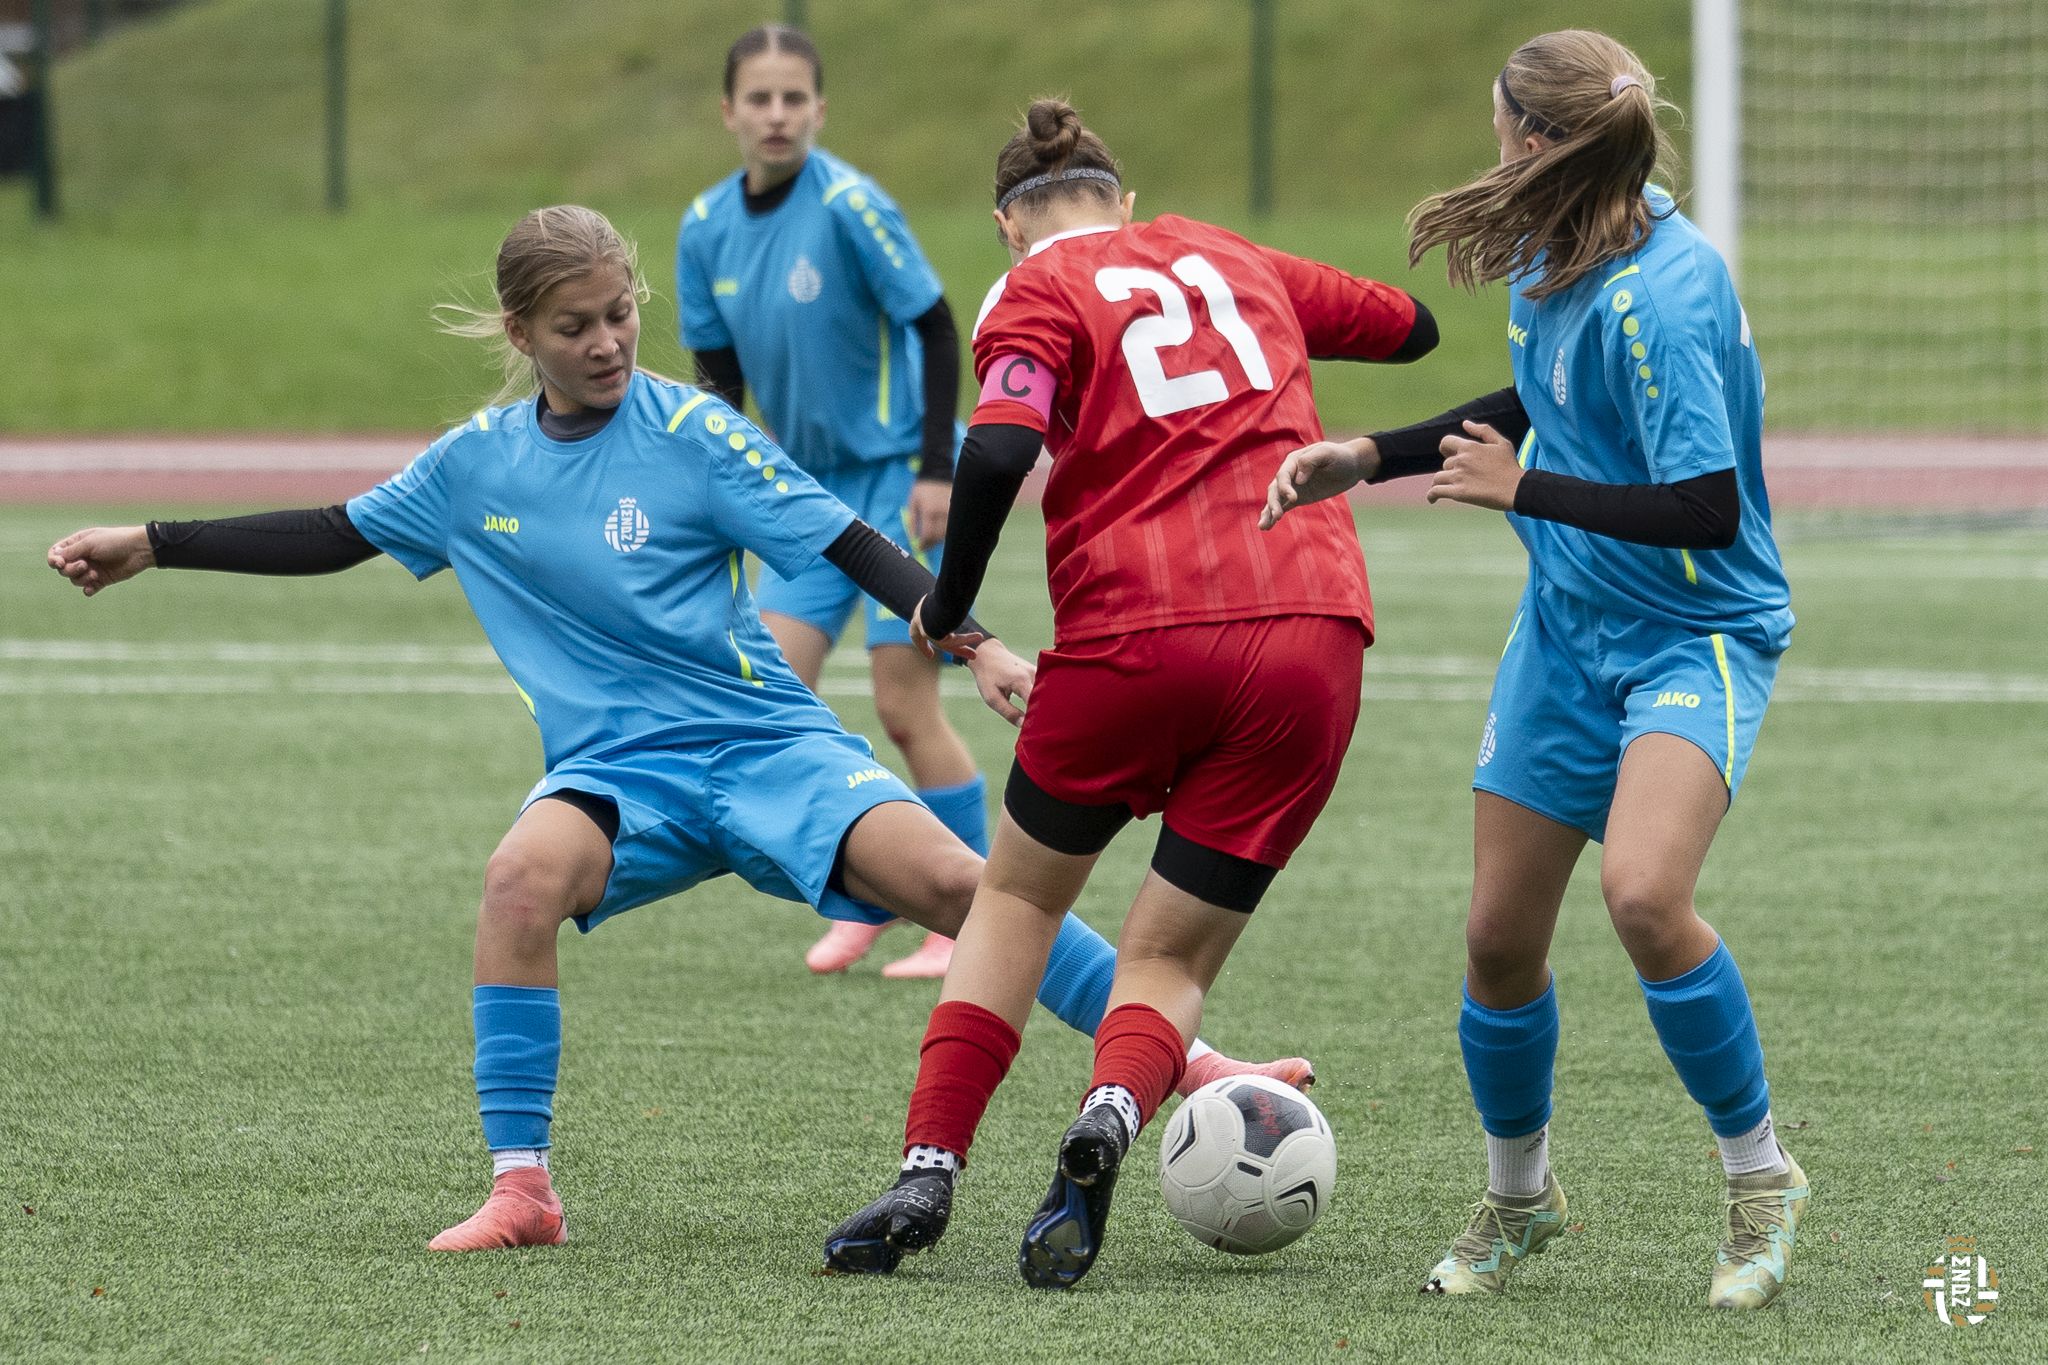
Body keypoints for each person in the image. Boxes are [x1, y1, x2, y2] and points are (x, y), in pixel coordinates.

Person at [46, 205, 1312, 1255]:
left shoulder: (692, 432)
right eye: (574, 326)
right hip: (617, 777)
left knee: (965, 889)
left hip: (766, 748)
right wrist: (155, 542)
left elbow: (844, 539)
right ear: (520, 334)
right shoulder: (472, 466)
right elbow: (334, 534)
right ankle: (522, 1189)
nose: (606, 342)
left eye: (619, 314)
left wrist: (970, 639)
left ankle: (1192, 1062)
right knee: (517, 879)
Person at [823, 100, 1438, 1288]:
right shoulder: (1227, 253)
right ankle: (1109, 1109)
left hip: (1133, 632)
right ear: (1126, 200)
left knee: (1014, 897)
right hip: (1309, 628)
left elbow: (996, 447)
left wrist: (949, 602)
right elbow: (1410, 329)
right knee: (1169, 958)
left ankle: (928, 1169)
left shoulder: (1032, 289)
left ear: (1008, 224)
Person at [1263, 30, 1806, 1310]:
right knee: (1497, 939)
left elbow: (1705, 507)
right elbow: (1540, 395)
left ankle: (1761, 1179)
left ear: (1536, 137)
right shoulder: (1558, 240)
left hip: (1692, 633)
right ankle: (1520, 1201)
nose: (1490, 143)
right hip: (1565, 629)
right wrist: (1370, 455)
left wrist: (1524, 493)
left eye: (1497, 121)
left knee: (1643, 897)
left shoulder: (1662, 291)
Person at [678, 24, 977, 979]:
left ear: (819, 109)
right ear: (728, 112)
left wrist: (937, 469)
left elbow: (936, 326)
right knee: (778, 702)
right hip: (801, 497)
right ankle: (875, 892)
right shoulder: (703, 227)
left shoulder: (851, 205)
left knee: (903, 703)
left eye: (794, 98)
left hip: (896, 477)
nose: (777, 115)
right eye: (758, 99)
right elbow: (718, 386)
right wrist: (720, 499)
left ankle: (967, 915)